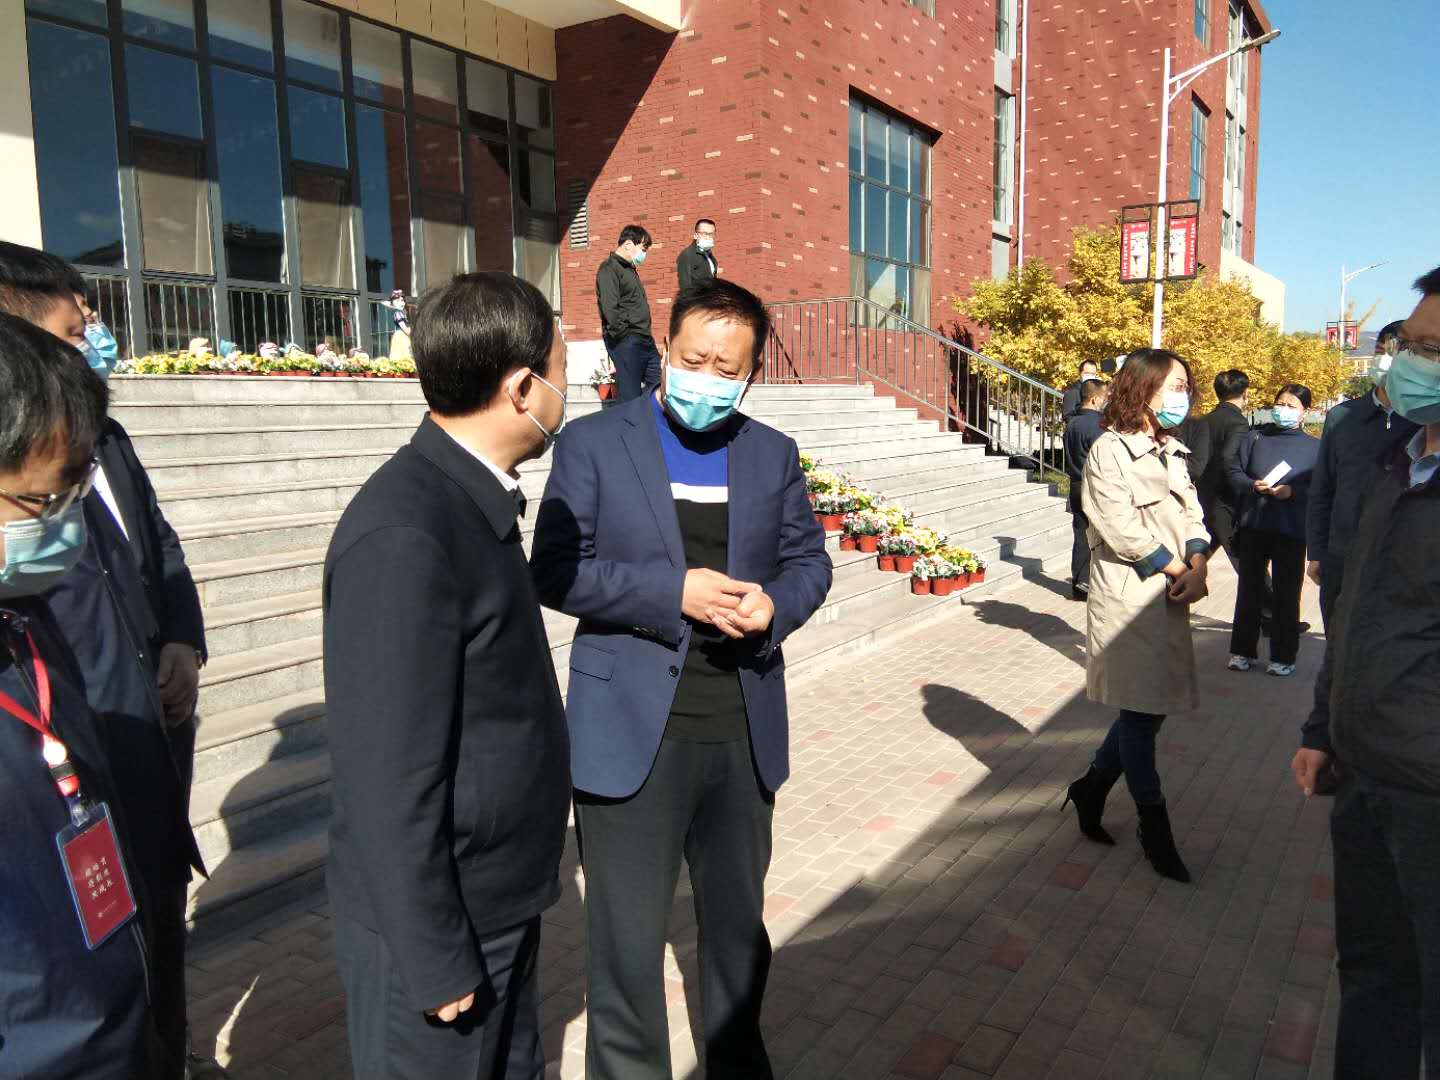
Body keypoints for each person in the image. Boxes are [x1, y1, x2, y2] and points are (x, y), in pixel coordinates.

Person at [532, 279, 832, 1079]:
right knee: (627, 949)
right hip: (631, 735)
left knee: (737, 936)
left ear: (752, 372)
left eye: (726, 368)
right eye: (694, 358)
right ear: (665, 348)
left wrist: (776, 606)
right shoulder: (596, 443)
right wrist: (673, 592)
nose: (707, 377)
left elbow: (809, 561)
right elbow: (556, 570)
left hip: (740, 729)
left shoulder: (771, 453)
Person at [323, 272, 571, 1079]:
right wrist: (433, 953)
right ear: (522, 388)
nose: (568, 393)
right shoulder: (406, 532)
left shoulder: (468, 500)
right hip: (443, 930)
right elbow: (385, 774)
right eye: (562, 373)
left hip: (494, 899)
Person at [0, 240, 211, 1080]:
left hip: (128, 748)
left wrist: (182, 640)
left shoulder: (101, 442)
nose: (90, 337)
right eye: (71, 327)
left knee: (150, 933)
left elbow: (159, 546)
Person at [1291, 266, 1440, 1078]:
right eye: (1409, 345)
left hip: (1429, 793)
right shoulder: (1394, 460)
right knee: (1373, 976)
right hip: (1363, 773)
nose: (1406, 364)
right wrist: (1323, 727)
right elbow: (1352, 611)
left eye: (1432, 351)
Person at [1062, 348, 1209, 884]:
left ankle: (1091, 788)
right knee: (1143, 715)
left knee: (1147, 710)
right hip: (1130, 596)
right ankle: (1154, 825)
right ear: (1142, 388)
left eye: (1186, 386)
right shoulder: (1109, 450)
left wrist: (1198, 564)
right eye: (1174, 386)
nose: (1183, 396)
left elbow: (1193, 513)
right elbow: (1118, 526)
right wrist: (1179, 569)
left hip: (1171, 592)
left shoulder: (1171, 448)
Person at [1305, 319, 1418, 631]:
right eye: (1382, 350)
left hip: (1404, 562)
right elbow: (1322, 489)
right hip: (1342, 556)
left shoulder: (1426, 422)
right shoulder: (1342, 418)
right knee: (1339, 643)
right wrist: (1317, 552)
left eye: (1397, 353)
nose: (1386, 360)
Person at [1224, 384, 1320, 676]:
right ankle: (1242, 650)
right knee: (1249, 591)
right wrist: (1251, 485)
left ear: (1305, 412)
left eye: (1291, 405)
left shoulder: (1315, 447)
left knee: (1286, 595)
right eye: (1280, 403)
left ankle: (1283, 656)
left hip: (1290, 530)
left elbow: (1321, 488)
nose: (1284, 409)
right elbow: (1234, 472)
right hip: (1254, 526)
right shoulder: (1255, 438)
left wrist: (1293, 492)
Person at [597, 225, 661, 402]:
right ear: (628, 244)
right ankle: (629, 421)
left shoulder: (630, 270)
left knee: (660, 386)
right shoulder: (609, 269)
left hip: (645, 340)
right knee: (630, 397)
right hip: (627, 341)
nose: (644, 254)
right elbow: (610, 309)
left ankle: (649, 419)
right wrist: (624, 335)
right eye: (643, 249)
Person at [1062, 377, 1108, 600]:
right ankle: (1094, 583)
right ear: (1094, 399)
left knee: (1080, 535)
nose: (1106, 402)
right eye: (1104, 398)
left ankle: (1079, 582)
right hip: (1095, 486)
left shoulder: (1072, 423)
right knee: (1099, 536)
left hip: (1076, 484)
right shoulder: (1098, 426)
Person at [676, 217, 718, 292]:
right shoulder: (687, 255)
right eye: (705, 234)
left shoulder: (709, 256)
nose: (708, 237)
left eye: (711, 234)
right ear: (695, 235)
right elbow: (685, 287)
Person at [1061, 358, 1102, 422]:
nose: (1090, 376)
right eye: (1087, 373)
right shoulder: (1072, 391)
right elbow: (1067, 416)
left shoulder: (1095, 389)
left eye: (1093, 374)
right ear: (1080, 373)